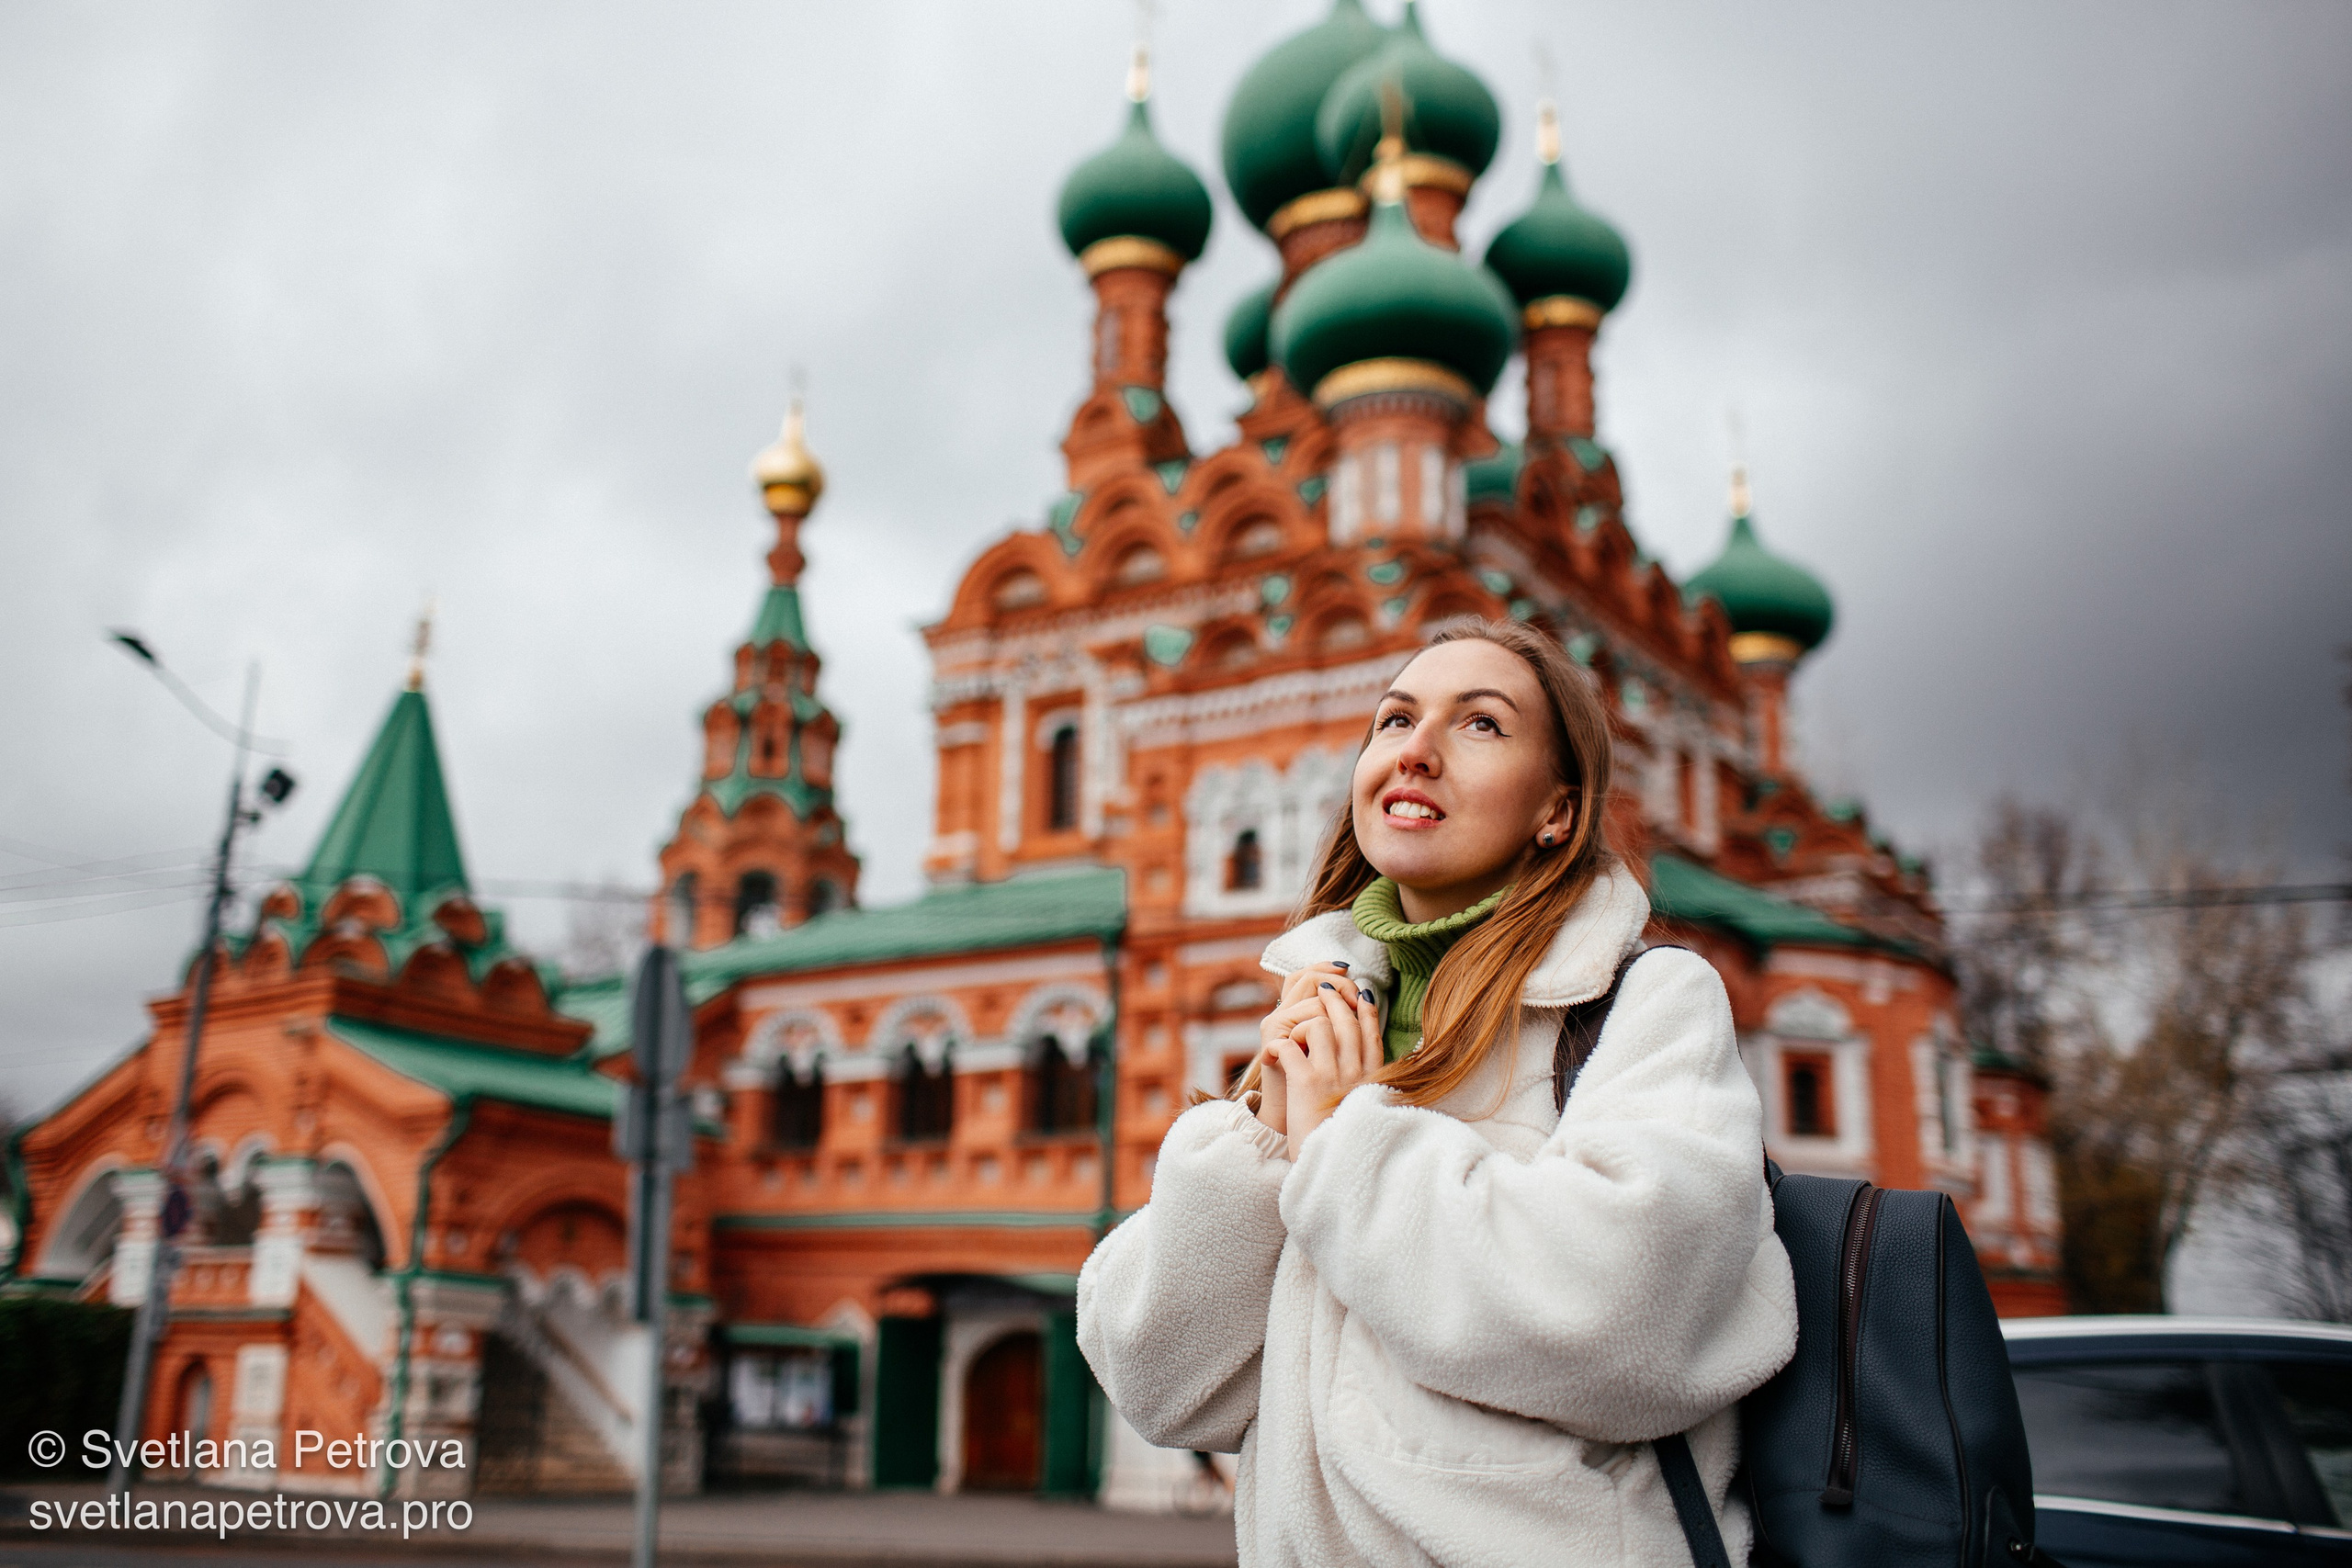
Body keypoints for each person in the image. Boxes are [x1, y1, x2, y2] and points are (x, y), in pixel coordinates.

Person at [1078, 619, 1797, 1566]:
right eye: (1393, 720)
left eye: (1480, 725)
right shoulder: (1327, 1015)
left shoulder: (1641, 1002)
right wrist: (1261, 1138)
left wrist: (1340, 1135)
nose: (1414, 749)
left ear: (1557, 810)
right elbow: (1161, 1383)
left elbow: (1627, 1320)